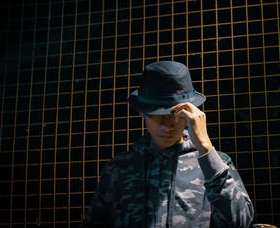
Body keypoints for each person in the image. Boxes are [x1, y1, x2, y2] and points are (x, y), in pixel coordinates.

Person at [83, 61, 254, 227]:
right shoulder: (118, 169)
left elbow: (240, 223)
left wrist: (206, 148)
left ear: (191, 114)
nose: (166, 125)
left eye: (175, 114)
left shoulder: (215, 163)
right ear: (142, 113)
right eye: (157, 115)